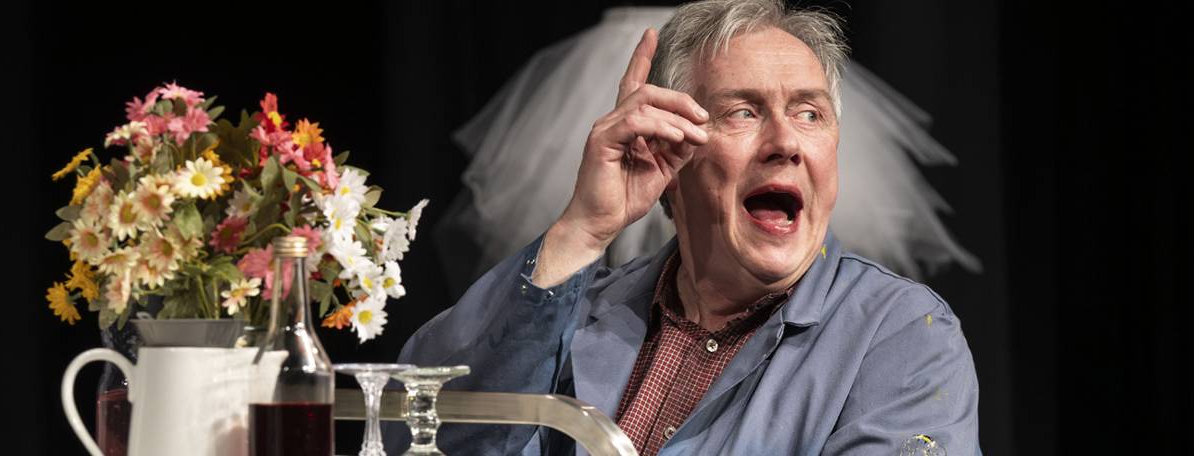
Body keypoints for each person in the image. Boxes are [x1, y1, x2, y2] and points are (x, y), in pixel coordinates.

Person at [394, 0, 980, 454]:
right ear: (668, 149)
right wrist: (582, 230)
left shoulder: (904, 335)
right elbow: (425, 430)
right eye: (743, 112)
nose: (786, 142)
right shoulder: (581, 309)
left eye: (810, 113)